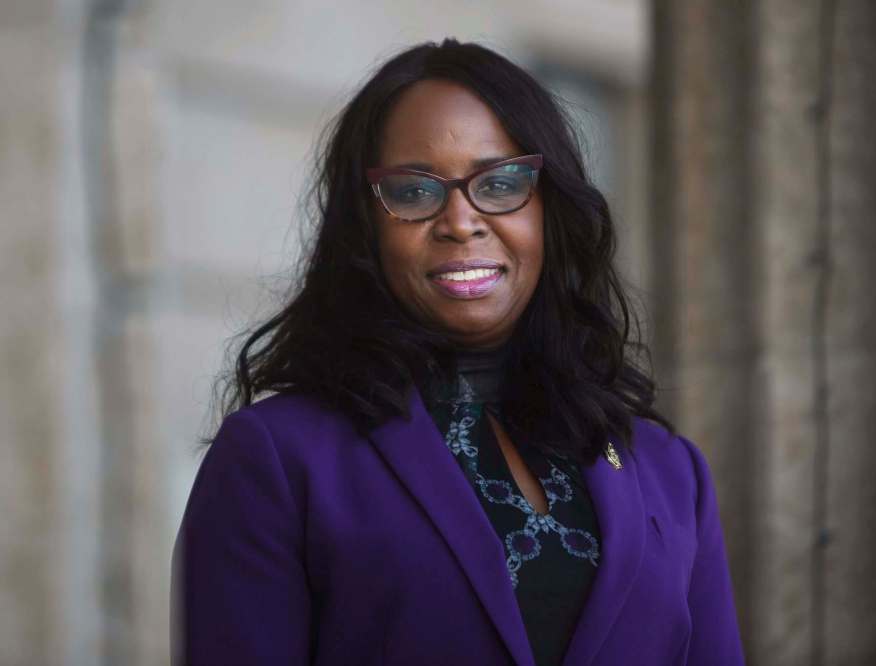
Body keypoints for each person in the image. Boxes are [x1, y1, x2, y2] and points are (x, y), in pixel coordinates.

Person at [171, 38, 745, 666]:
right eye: (415, 192)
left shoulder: (669, 471)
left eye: (500, 183)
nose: (461, 221)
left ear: (549, 209)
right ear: (365, 227)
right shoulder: (279, 459)